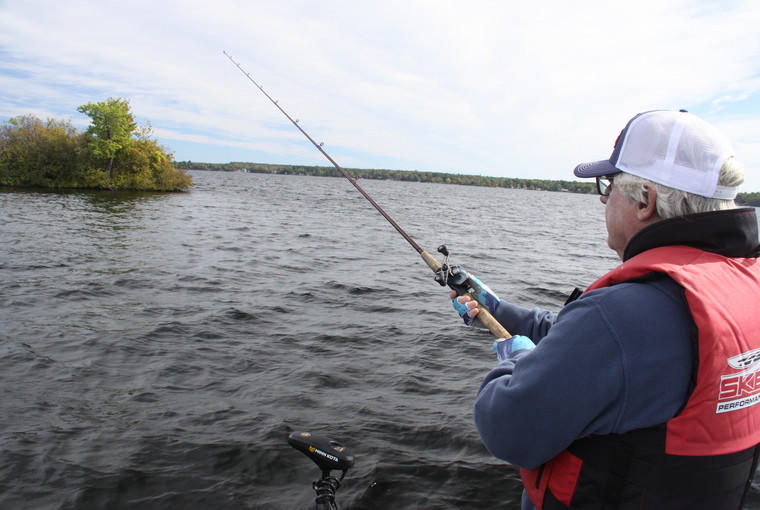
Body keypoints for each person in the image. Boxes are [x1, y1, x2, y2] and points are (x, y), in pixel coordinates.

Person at [451, 110, 760, 509]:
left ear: (645, 200)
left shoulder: (622, 314)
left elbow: (508, 429)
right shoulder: (739, 285)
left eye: (608, 184)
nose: (602, 197)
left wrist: (520, 362)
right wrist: (500, 310)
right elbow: (604, 346)